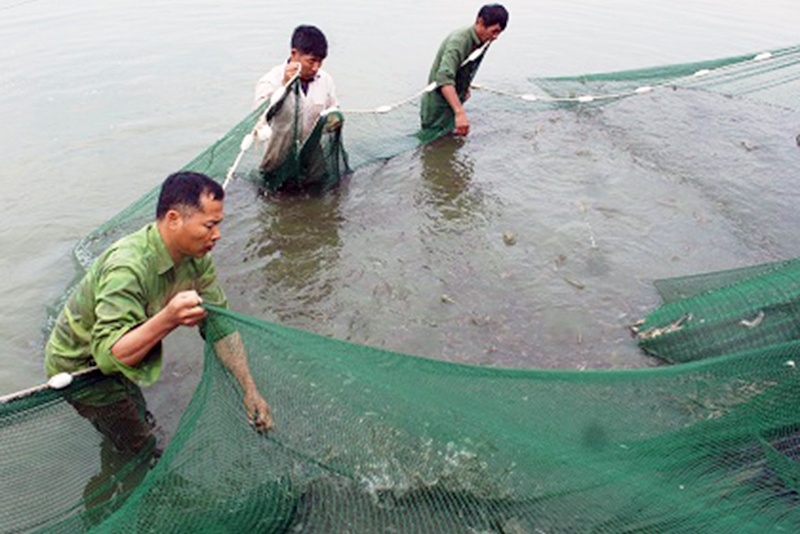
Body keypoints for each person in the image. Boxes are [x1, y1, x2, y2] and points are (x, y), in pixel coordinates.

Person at [45, 171, 272, 461]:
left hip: (127, 344)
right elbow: (108, 356)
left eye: (219, 225)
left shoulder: (198, 259)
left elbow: (221, 328)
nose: (217, 235)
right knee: (140, 449)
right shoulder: (127, 268)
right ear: (174, 219)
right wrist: (169, 318)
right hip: (80, 366)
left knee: (135, 411)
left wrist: (250, 389)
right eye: (210, 225)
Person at [253, 25, 340, 178]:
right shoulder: (269, 82)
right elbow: (259, 121)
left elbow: (333, 110)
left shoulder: (325, 80)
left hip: (313, 164)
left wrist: (333, 122)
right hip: (276, 163)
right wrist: (284, 86)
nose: (316, 68)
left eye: (320, 62)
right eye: (311, 61)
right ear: (294, 54)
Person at [421, 4, 509, 136]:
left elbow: (465, 65)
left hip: (455, 100)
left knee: (450, 143)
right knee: (434, 146)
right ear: (480, 22)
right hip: (438, 107)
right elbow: (444, 79)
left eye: (500, 32)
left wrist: (465, 86)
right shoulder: (459, 42)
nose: (496, 37)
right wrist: (459, 112)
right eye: (494, 31)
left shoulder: (484, 39)